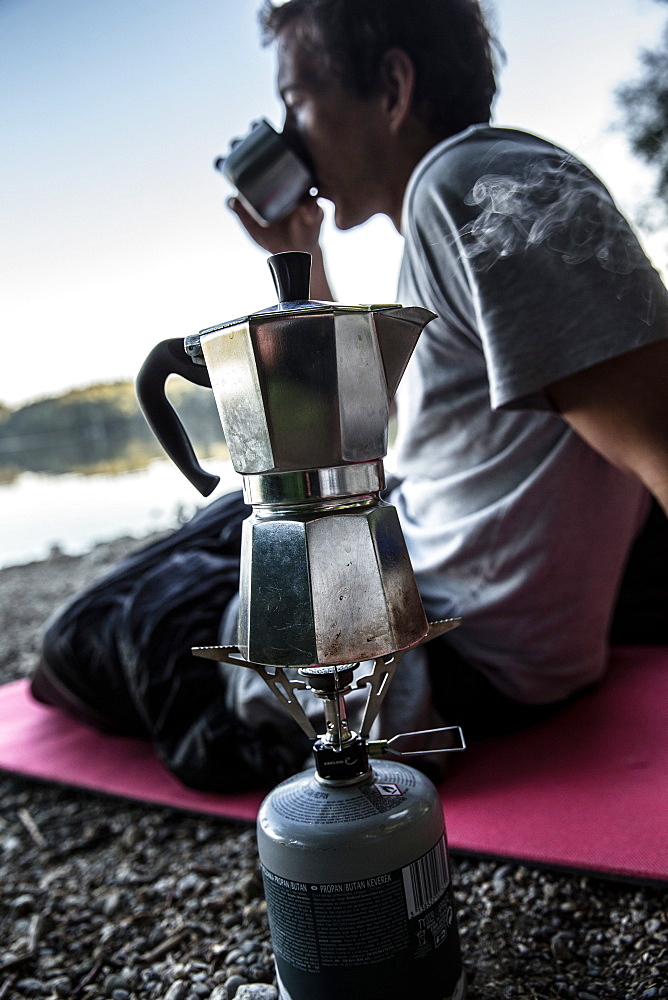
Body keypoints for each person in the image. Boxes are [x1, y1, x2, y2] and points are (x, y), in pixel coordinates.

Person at [32, 0, 668, 791]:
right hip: (421, 580)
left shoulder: (471, 184)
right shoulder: (456, 200)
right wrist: (305, 259)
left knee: (87, 637)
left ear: (394, 87)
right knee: (232, 522)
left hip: (440, 655)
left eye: (296, 99)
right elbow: (379, 431)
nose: (288, 135)